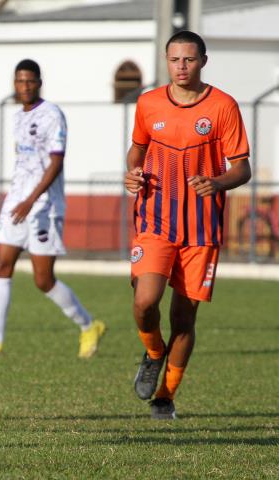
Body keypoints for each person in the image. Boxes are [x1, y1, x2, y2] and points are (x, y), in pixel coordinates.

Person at [125, 31, 251, 419]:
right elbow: (138, 150)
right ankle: (153, 351)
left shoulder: (223, 106)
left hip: (201, 228)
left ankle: (165, 396)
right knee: (145, 301)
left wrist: (215, 183)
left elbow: (241, 168)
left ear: (203, 61)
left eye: (189, 60)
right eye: (175, 59)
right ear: (167, 61)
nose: (182, 66)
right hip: (155, 218)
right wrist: (132, 171)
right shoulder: (148, 103)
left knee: (184, 318)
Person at [0, 59, 106, 361]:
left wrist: (31, 199)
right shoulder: (18, 116)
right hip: (16, 202)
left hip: (43, 205)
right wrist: (19, 198)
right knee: (2, 265)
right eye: (19, 81)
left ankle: (89, 325)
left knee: (43, 279)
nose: (25, 86)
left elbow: (56, 162)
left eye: (30, 81)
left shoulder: (52, 115)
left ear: (39, 83)